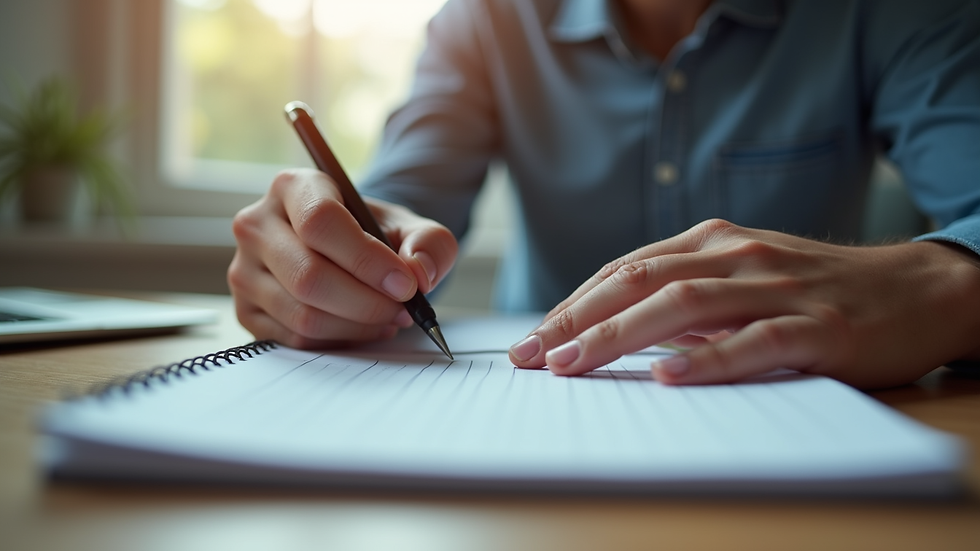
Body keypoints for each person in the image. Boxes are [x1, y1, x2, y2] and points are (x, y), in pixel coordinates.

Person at [228, 0, 980, 389]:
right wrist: (333, 256)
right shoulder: (489, 15)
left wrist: (947, 283)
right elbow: (396, 203)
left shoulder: (896, 12)